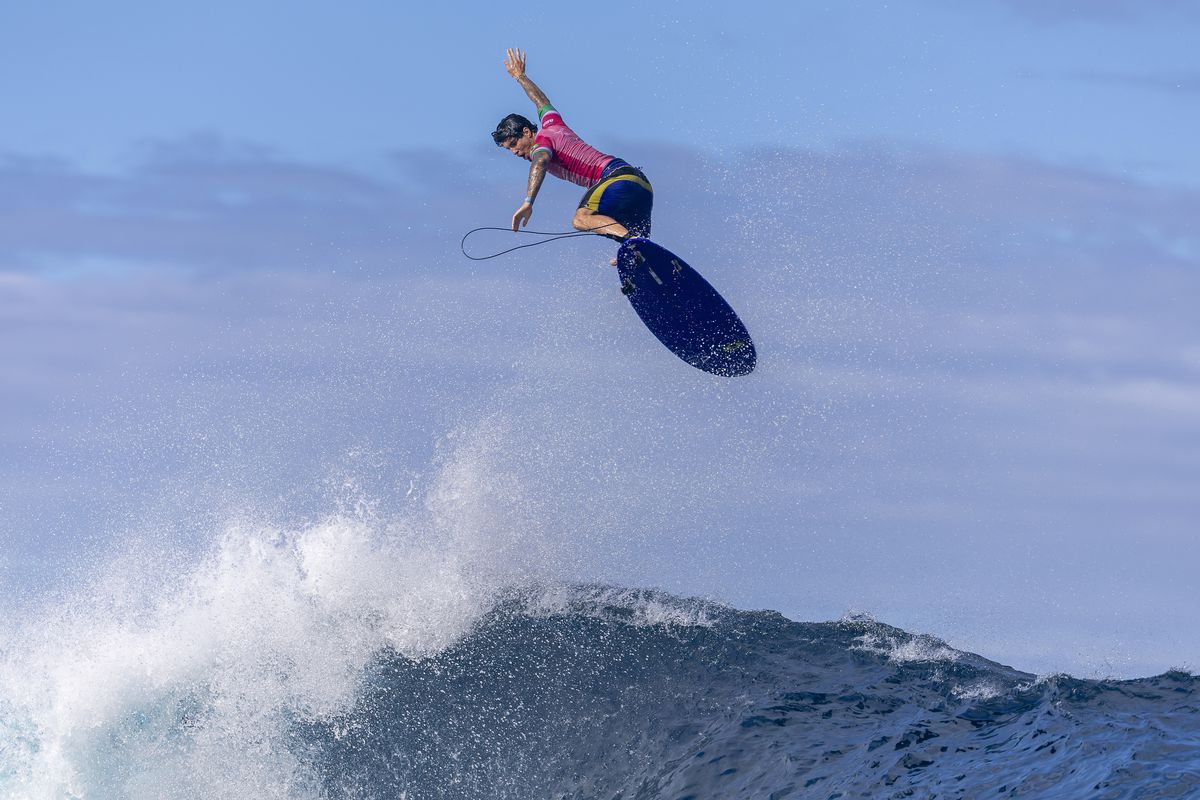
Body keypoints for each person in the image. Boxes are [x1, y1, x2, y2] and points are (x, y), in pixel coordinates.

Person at [493, 48, 652, 244]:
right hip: (640, 184)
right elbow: (541, 101)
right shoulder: (553, 123)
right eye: (509, 149)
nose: (515, 152)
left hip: (616, 179)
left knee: (581, 218)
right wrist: (520, 76)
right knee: (633, 252)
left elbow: (541, 161)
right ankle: (635, 248)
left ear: (527, 132)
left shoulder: (542, 142)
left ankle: (632, 243)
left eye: (514, 144)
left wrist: (528, 202)